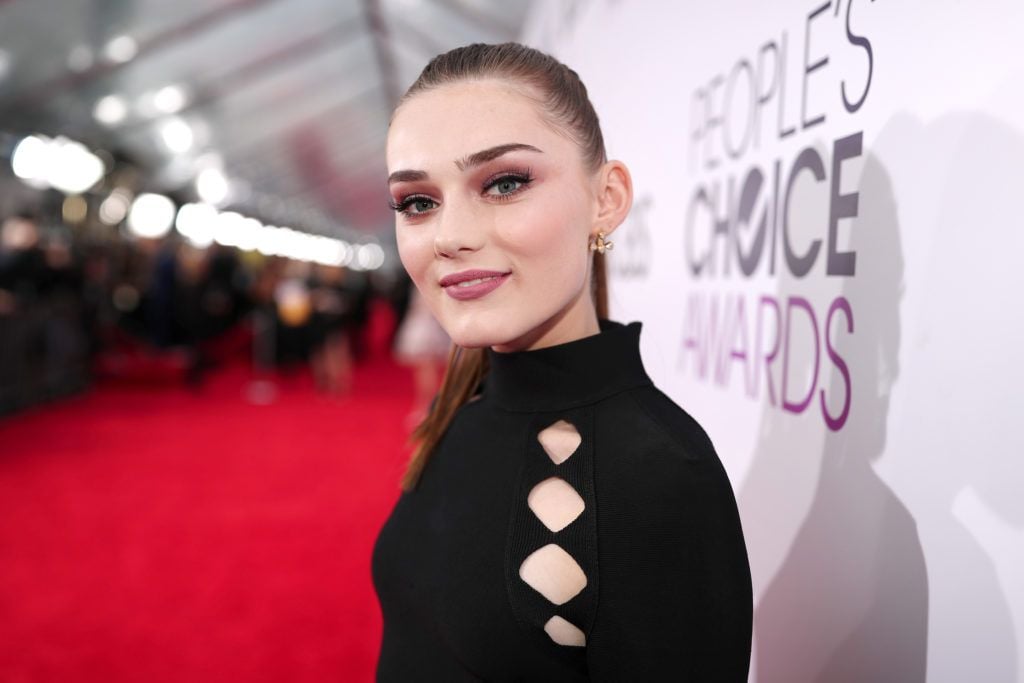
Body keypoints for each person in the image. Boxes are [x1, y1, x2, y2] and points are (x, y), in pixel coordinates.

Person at [370, 42, 752, 681]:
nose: (449, 235)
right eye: (417, 202)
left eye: (505, 183)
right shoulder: (464, 406)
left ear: (606, 199)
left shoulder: (658, 477)